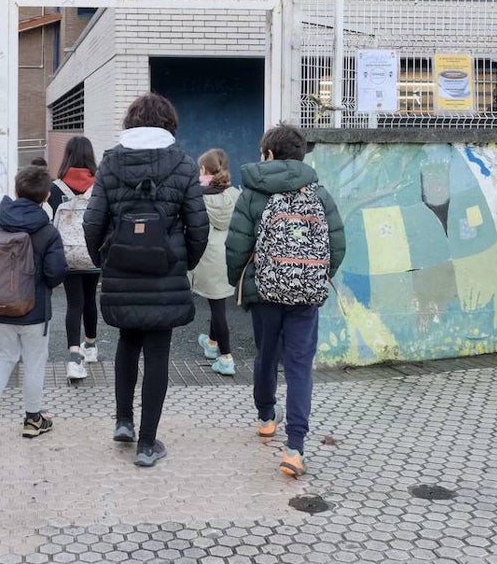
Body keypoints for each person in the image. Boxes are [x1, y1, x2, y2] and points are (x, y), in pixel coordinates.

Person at [83, 93, 209, 468]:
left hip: (121, 268)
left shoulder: (110, 162)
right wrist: (183, 261)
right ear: (169, 124)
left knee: (126, 343)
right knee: (157, 354)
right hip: (164, 271)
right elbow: (198, 226)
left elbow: (93, 221)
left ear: (131, 123)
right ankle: (147, 444)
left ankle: (124, 421)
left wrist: (104, 261)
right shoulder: (184, 164)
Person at [226, 123, 345, 478]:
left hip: (265, 292)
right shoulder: (319, 194)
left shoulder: (252, 194)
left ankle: (266, 417)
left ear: (269, 154)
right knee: (298, 366)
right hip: (305, 294)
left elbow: (236, 247)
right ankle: (294, 448)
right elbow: (336, 246)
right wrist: (314, 276)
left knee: (266, 354)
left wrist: (242, 285)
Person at [0, 165, 67, 443]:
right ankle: (32, 419)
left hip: (0, 309)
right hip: (35, 310)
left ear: (14, 190)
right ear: (47, 196)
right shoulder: (47, 232)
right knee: (34, 363)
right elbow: (55, 272)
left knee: (2, 358)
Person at [47, 135, 102, 380]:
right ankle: (90, 346)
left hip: (67, 254)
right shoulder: (100, 186)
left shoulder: (55, 187)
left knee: (74, 304)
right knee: (91, 299)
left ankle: (73, 357)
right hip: (93, 253)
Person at [189, 148, 241, 376]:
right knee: (217, 299)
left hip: (207, 254)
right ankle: (211, 344)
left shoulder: (198, 195)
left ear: (203, 169)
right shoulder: (235, 195)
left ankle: (226, 357)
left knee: (218, 308)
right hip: (228, 254)